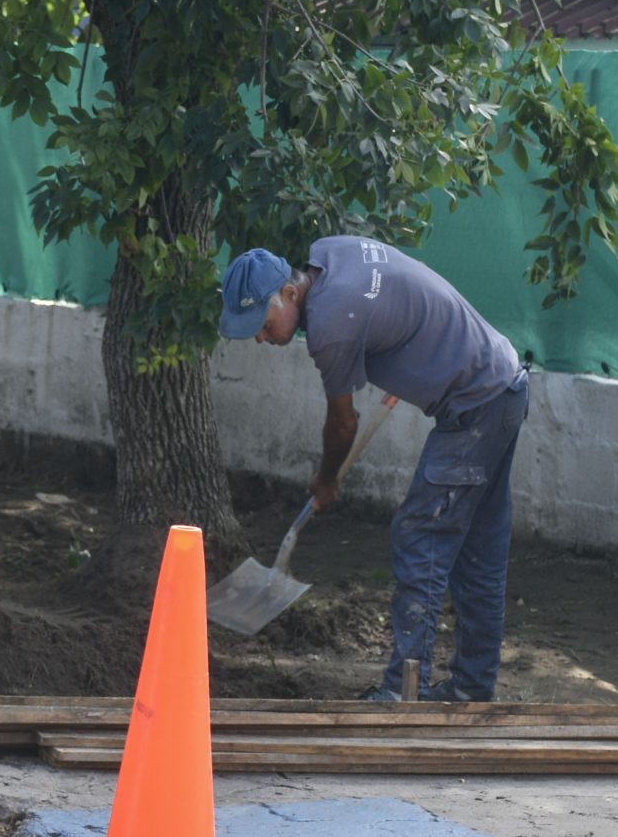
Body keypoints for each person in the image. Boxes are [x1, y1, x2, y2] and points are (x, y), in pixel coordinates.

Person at [221, 236, 530, 702]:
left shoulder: (330, 327)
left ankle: (402, 693)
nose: (263, 338)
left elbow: (343, 422)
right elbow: (399, 292)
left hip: (476, 403)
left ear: (288, 294)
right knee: (478, 551)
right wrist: (410, 353)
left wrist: (326, 479)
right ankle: (472, 688)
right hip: (502, 384)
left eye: (262, 325)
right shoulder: (330, 252)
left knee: (420, 534)